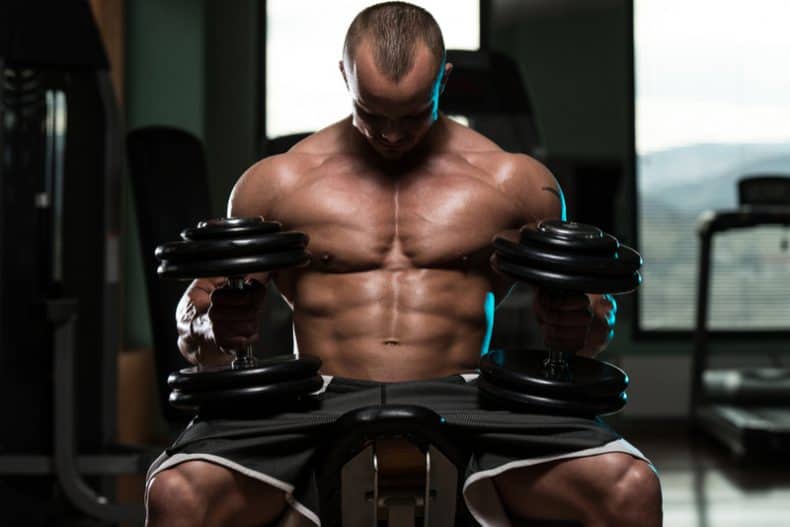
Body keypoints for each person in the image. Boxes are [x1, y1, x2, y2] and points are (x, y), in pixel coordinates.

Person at [145, 2, 662, 526]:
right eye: (372, 113)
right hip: (317, 398)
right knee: (178, 493)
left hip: (469, 398)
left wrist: (584, 320)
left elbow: (588, 325)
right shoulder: (275, 183)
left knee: (629, 487)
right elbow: (198, 316)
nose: (391, 135)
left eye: (413, 115)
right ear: (344, 75)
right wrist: (208, 324)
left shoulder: (515, 184)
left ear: (445, 79)